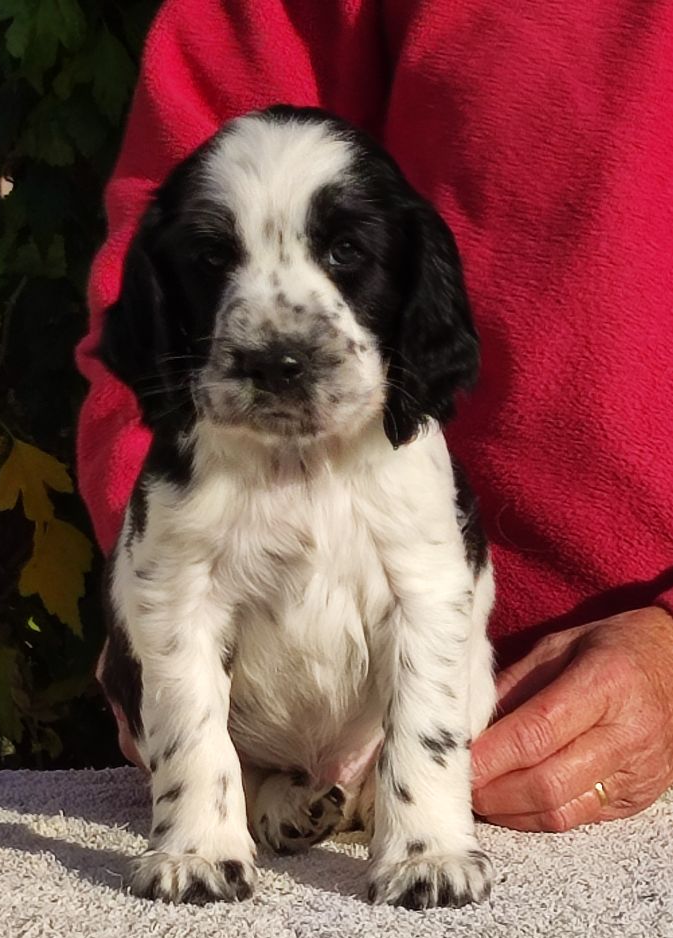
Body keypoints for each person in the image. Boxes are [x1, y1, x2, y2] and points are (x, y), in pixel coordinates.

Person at [76, 0, 673, 832]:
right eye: (220, 258)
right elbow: (183, 183)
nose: (277, 334)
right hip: (249, 630)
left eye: (343, 252)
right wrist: (152, 583)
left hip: (504, 691)